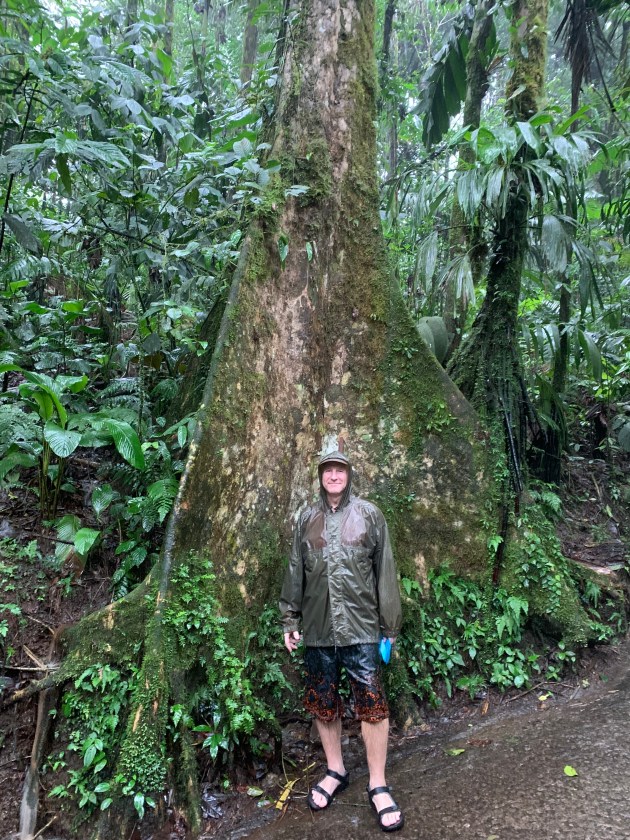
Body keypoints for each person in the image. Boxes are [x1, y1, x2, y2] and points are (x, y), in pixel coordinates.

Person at [280, 448, 404, 832]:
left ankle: (378, 782)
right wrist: (289, 617)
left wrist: (389, 628)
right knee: (323, 702)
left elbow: (385, 572)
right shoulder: (306, 517)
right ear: (320, 476)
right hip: (317, 631)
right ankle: (335, 770)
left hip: (362, 629)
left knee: (373, 706)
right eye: (328, 470)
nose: (334, 475)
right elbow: (294, 570)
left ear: (349, 475)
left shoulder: (370, 515)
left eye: (340, 470)